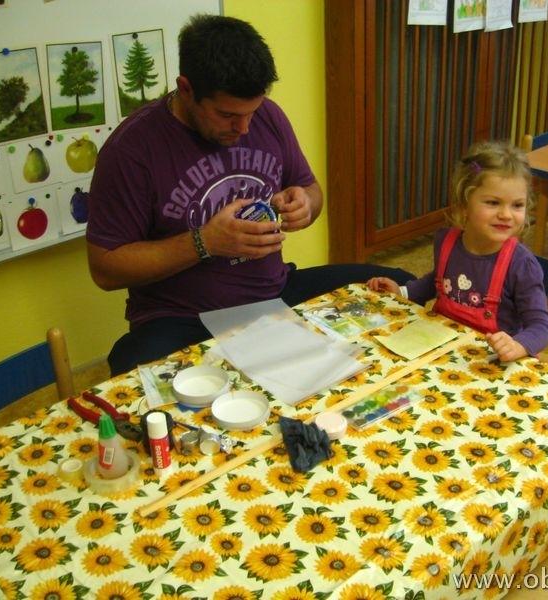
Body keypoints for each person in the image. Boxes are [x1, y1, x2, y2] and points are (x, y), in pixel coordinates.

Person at [87, 14, 411, 375]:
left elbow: (311, 191)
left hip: (275, 293)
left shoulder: (268, 117)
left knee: (399, 285)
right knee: (133, 376)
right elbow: (105, 269)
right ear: (186, 88)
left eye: (251, 112)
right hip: (183, 319)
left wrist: (305, 204)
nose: (243, 128)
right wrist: (205, 242)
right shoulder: (131, 150)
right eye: (227, 115)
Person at [367, 141, 548, 362]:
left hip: (492, 361)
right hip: (443, 350)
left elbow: (541, 327)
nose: (506, 214)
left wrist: (518, 345)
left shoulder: (521, 264)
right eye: (493, 203)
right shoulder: (446, 241)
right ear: (464, 205)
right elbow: (438, 281)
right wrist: (403, 292)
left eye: (517, 205)